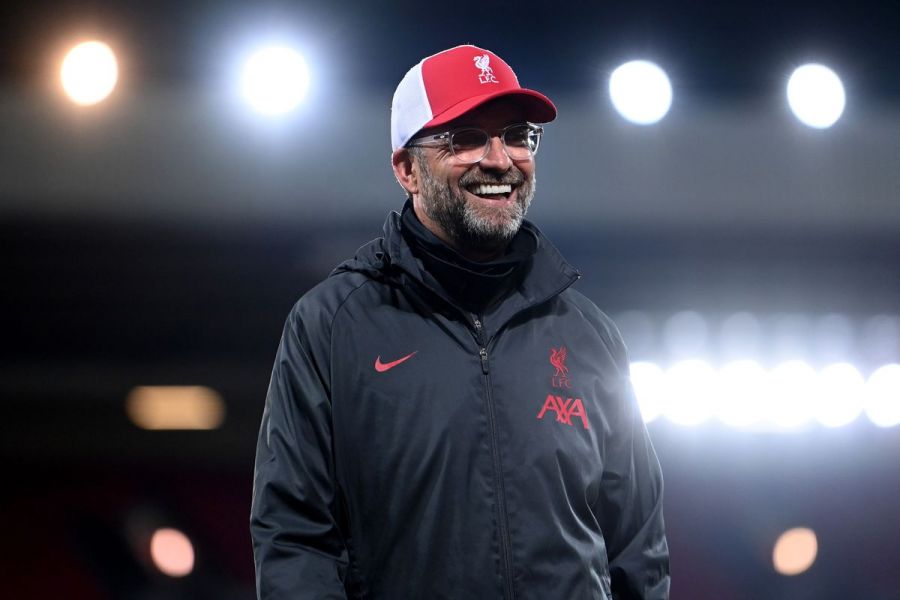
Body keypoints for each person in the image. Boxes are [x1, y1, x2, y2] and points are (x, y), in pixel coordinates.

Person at [250, 44, 670, 600]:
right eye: (466, 138)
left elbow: (637, 546)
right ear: (407, 169)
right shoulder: (331, 326)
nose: (499, 160)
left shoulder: (588, 334)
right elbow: (294, 540)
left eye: (516, 135)